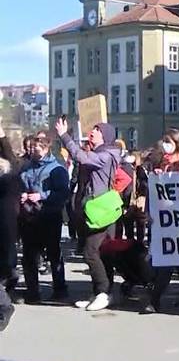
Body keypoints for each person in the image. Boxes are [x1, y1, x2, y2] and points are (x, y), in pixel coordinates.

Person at [55, 117, 122, 311]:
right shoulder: (97, 152)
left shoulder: (107, 154)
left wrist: (64, 136)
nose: (92, 131)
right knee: (102, 253)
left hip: (101, 210)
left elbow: (81, 158)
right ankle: (102, 292)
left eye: (96, 129)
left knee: (90, 251)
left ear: (105, 135)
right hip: (91, 209)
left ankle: (102, 292)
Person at [141, 129, 179, 314]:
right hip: (159, 220)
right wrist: (148, 210)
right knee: (171, 259)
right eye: (163, 141)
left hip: (177, 221)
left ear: (177, 144)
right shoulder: (160, 164)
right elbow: (152, 191)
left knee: (166, 259)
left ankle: (154, 300)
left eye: (168, 141)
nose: (164, 145)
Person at [17, 135, 70, 303]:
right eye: (30, 147)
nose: (31, 150)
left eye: (36, 147)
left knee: (53, 254)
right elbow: (20, 184)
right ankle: (32, 291)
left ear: (46, 148)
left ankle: (60, 290)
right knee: (29, 256)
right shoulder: (26, 167)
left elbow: (62, 193)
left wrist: (41, 195)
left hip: (49, 215)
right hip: (29, 216)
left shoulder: (57, 169)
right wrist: (23, 195)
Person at [0, 119, 22, 298]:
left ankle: (9, 279)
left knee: (7, 251)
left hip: (7, 218)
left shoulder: (11, 174)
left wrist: (1, 135)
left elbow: (8, 156)